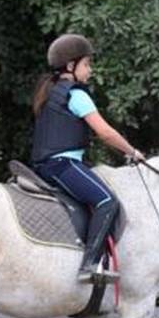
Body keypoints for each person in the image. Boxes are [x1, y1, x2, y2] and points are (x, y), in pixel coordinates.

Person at [29, 33, 145, 282]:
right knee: (107, 202)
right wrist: (132, 152)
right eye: (87, 64)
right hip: (63, 165)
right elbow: (105, 132)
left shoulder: (49, 93)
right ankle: (90, 265)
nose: (90, 70)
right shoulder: (76, 95)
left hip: (45, 165)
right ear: (71, 66)